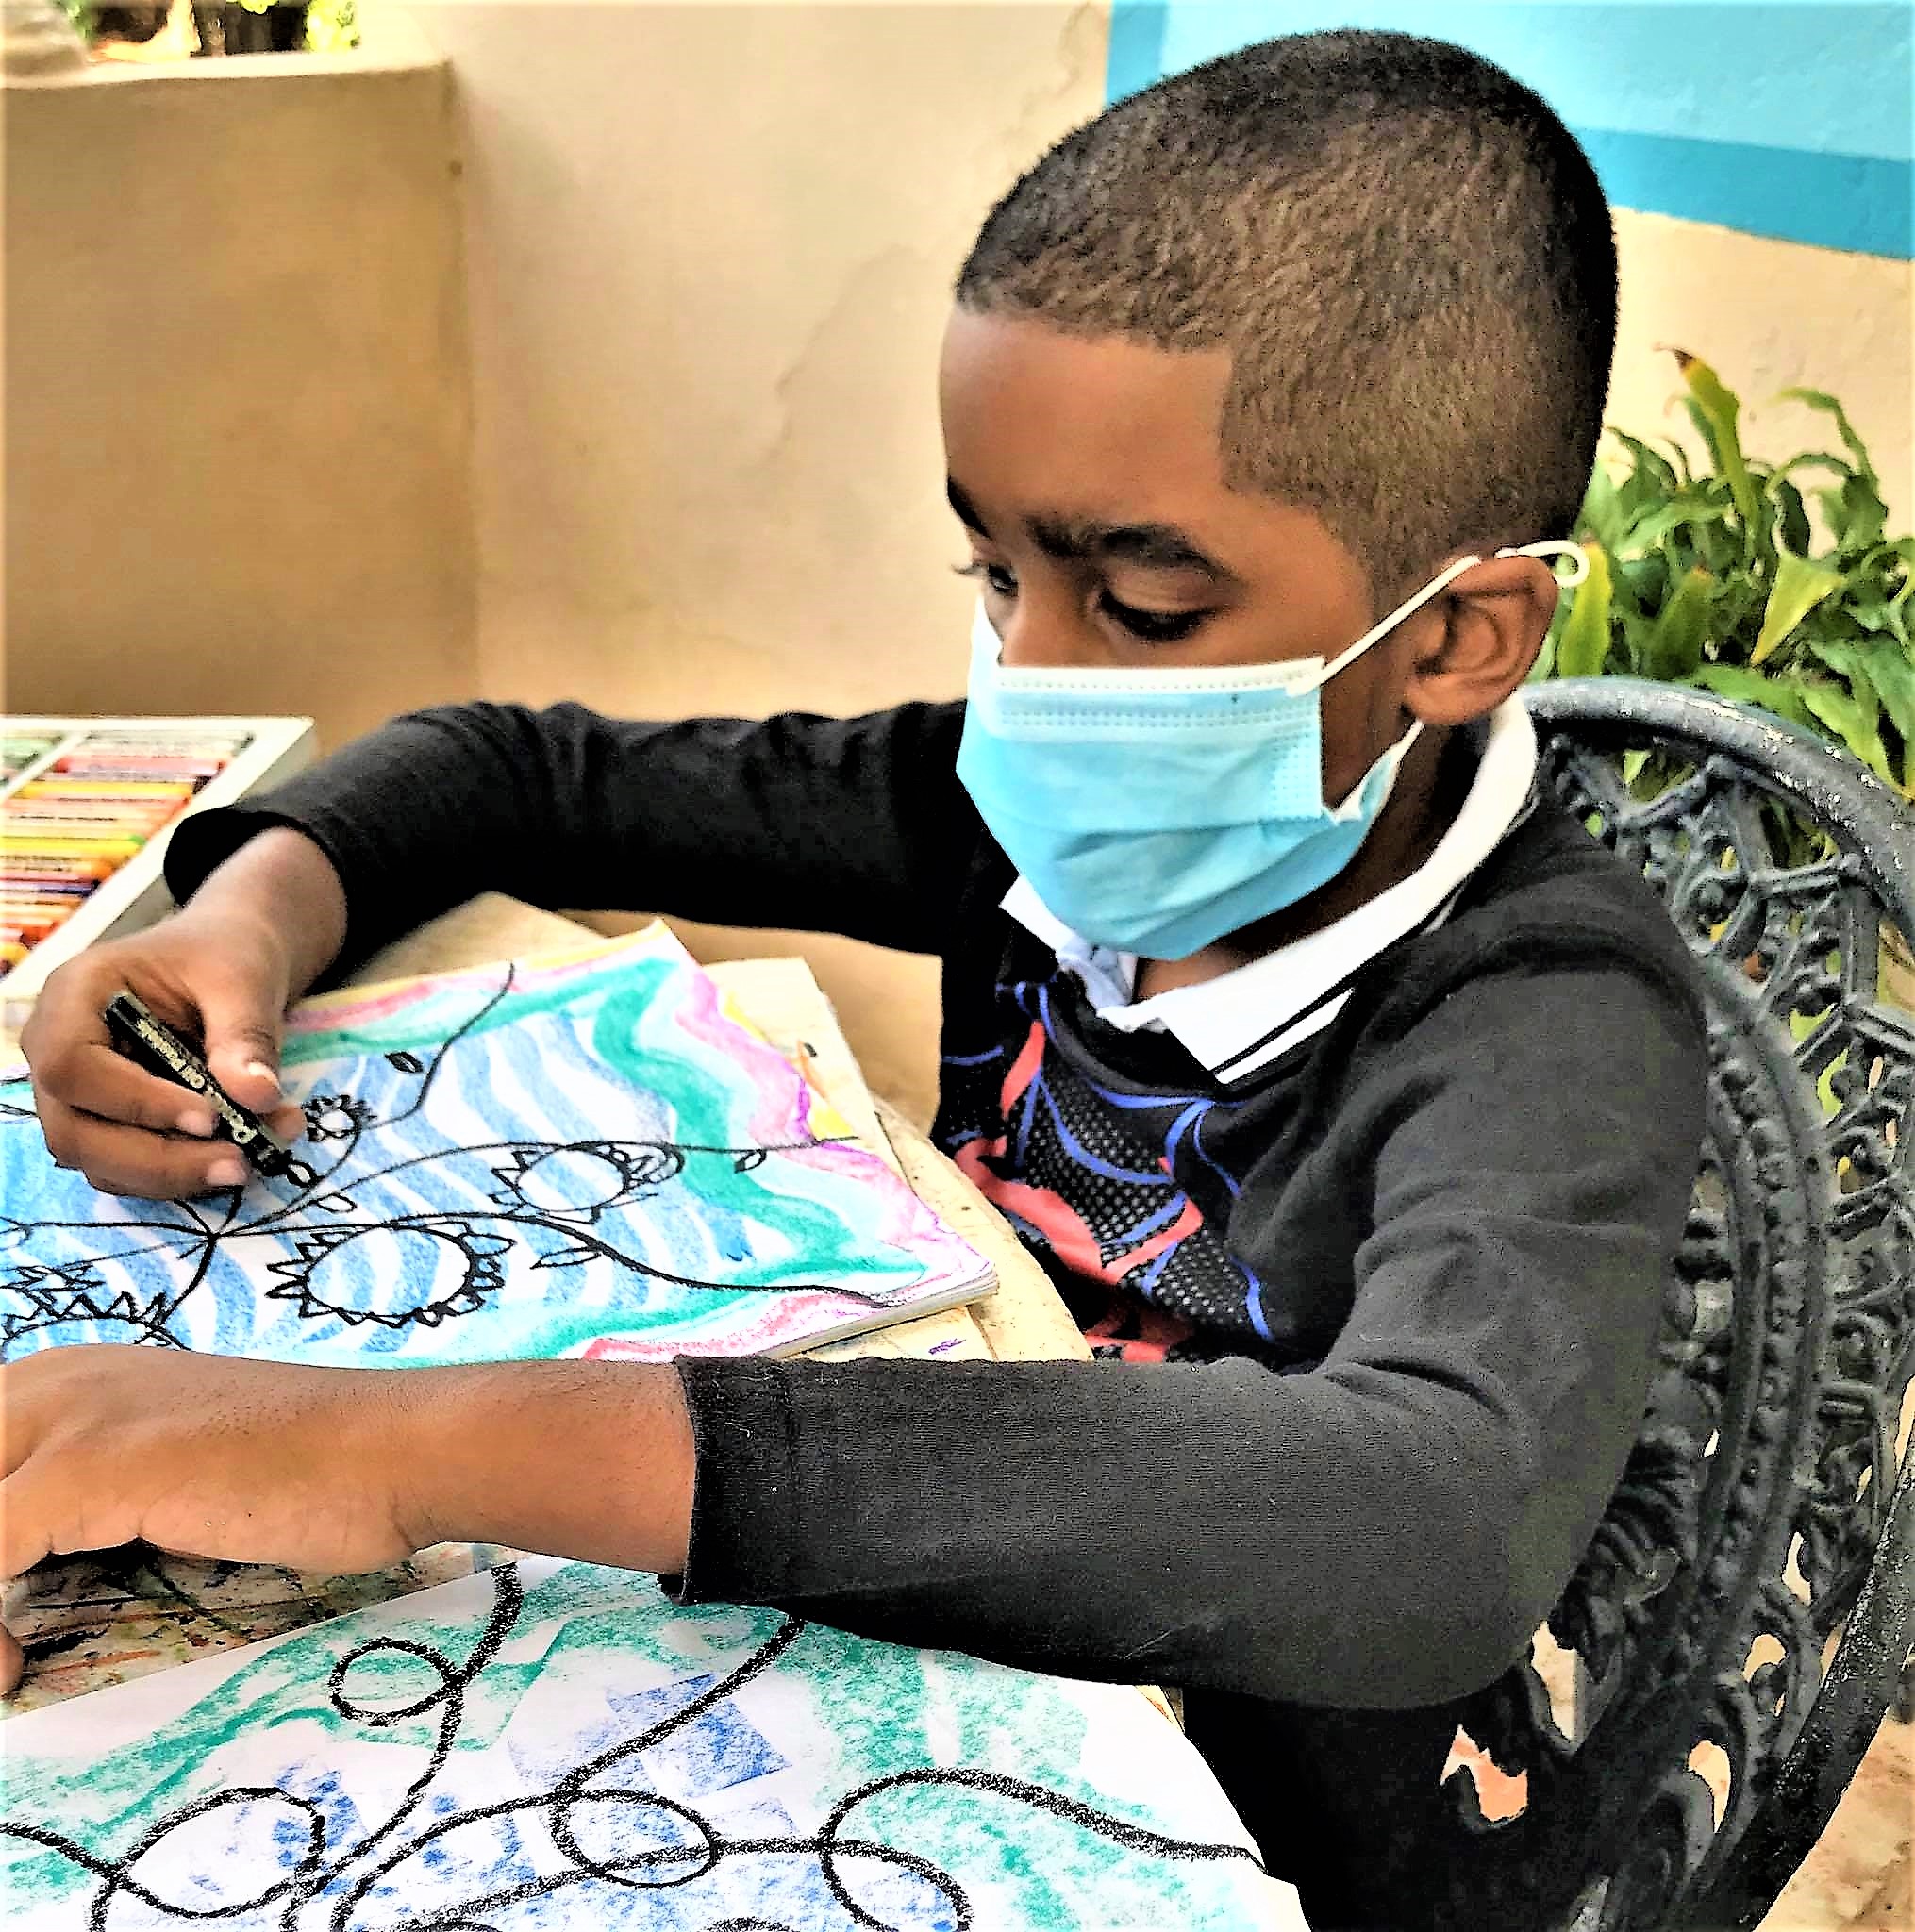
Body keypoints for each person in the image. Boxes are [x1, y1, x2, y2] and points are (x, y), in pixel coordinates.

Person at [5, 29, 1708, 1930]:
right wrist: (241, 923)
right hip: (873, 1681)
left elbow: (1428, 1517)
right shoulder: (1015, 814)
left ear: (1457, 636)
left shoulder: (1548, 1009)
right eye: (995, 576)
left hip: (1235, 1827)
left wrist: (407, 1444)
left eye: (1143, 609)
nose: (1030, 683)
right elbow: (508, 773)